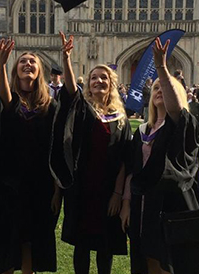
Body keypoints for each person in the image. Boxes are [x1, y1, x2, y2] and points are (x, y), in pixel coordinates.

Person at [120, 38, 199, 274]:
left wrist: (161, 68)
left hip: (172, 206)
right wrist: (126, 203)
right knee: (148, 260)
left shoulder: (182, 125)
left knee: (171, 261)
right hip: (144, 207)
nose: (159, 90)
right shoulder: (143, 131)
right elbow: (133, 170)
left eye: (166, 87)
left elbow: (176, 110)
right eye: (156, 87)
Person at [50, 32, 132, 274]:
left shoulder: (121, 119)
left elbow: (124, 160)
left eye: (104, 78)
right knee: (82, 246)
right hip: (82, 188)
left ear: (112, 83)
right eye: (94, 77)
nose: (98, 81)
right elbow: (71, 93)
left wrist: (118, 194)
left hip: (108, 189)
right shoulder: (84, 110)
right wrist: (66, 60)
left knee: (105, 246)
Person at [0, 39, 61, 274]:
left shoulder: (50, 106)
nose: (28, 64)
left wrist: (58, 190)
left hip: (38, 184)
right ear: (15, 69)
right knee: (5, 239)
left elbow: (57, 148)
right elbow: (9, 103)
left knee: (31, 241)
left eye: (32, 61)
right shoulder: (7, 101)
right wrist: (0, 65)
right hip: (7, 182)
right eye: (23, 61)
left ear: (40, 70)